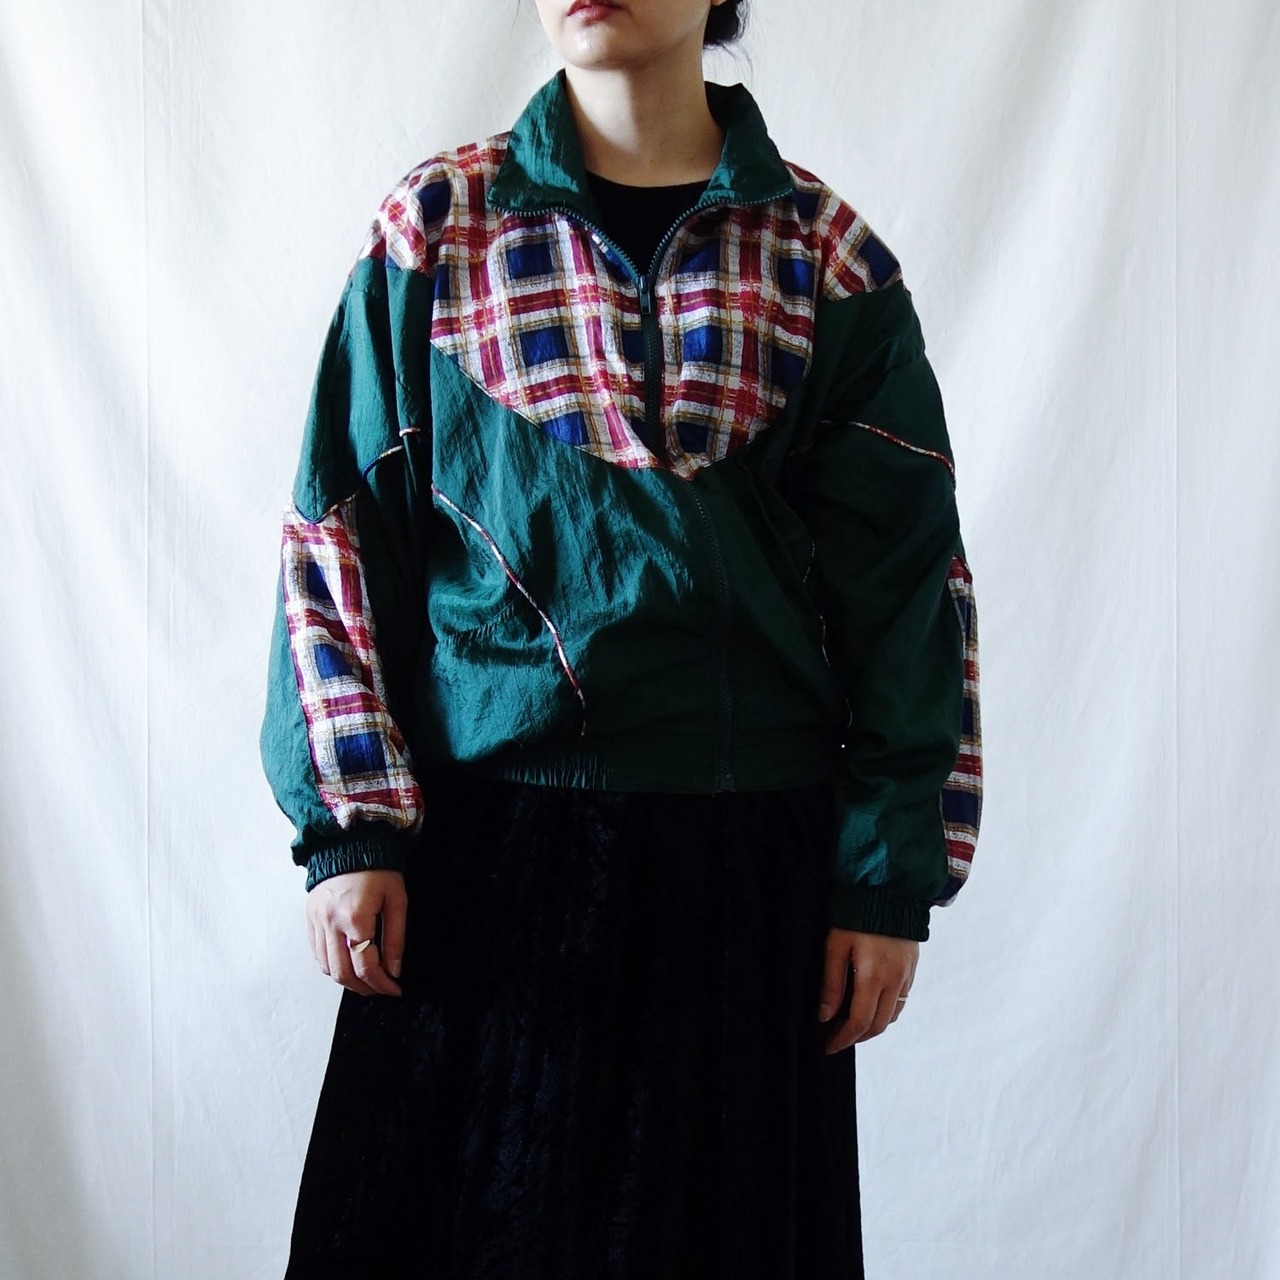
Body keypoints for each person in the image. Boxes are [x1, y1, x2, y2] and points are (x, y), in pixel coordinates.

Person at [260, 1, 982, 1275]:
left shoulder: (822, 258)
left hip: (739, 874)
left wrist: (884, 873)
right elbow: (339, 528)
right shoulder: (442, 228)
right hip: (478, 864)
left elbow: (907, 589)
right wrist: (350, 825)